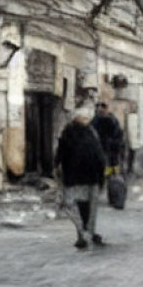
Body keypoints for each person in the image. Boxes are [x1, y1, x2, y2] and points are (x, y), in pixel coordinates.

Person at [54, 104, 107, 249]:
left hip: (73, 178)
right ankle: (87, 233)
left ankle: (82, 234)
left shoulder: (68, 132)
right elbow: (100, 157)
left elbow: (60, 154)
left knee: (72, 205)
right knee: (89, 208)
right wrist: (102, 177)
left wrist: (57, 167)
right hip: (91, 178)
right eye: (85, 118)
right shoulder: (91, 133)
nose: (87, 120)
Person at [91, 101, 125, 172]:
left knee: (113, 162)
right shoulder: (96, 119)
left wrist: (115, 142)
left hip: (112, 146)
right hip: (101, 146)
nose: (101, 109)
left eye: (103, 107)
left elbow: (118, 132)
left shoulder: (112, 119)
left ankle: (113, 175)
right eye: (99, 107)